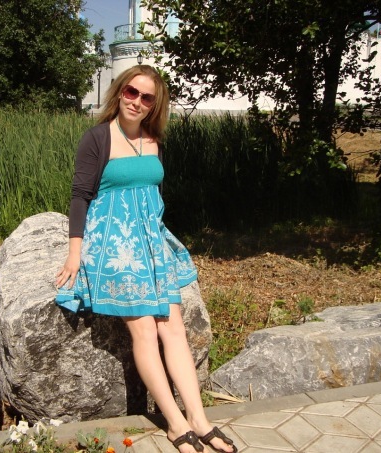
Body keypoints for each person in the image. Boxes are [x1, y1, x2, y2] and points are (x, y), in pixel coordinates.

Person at [55, 65, 237, 453]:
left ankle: (200, 420)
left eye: (147, 97)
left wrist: (157, 240)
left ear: (155, 104)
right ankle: (175, 424)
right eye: (131, 92)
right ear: (119, 92)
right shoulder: (97, 138)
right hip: (113, 246)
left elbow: (152, 198)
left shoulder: (155, 141)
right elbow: (80, 197)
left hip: (151, 245)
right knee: (145, 331)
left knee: (174, 328)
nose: (136, 101)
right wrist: (74, 255)